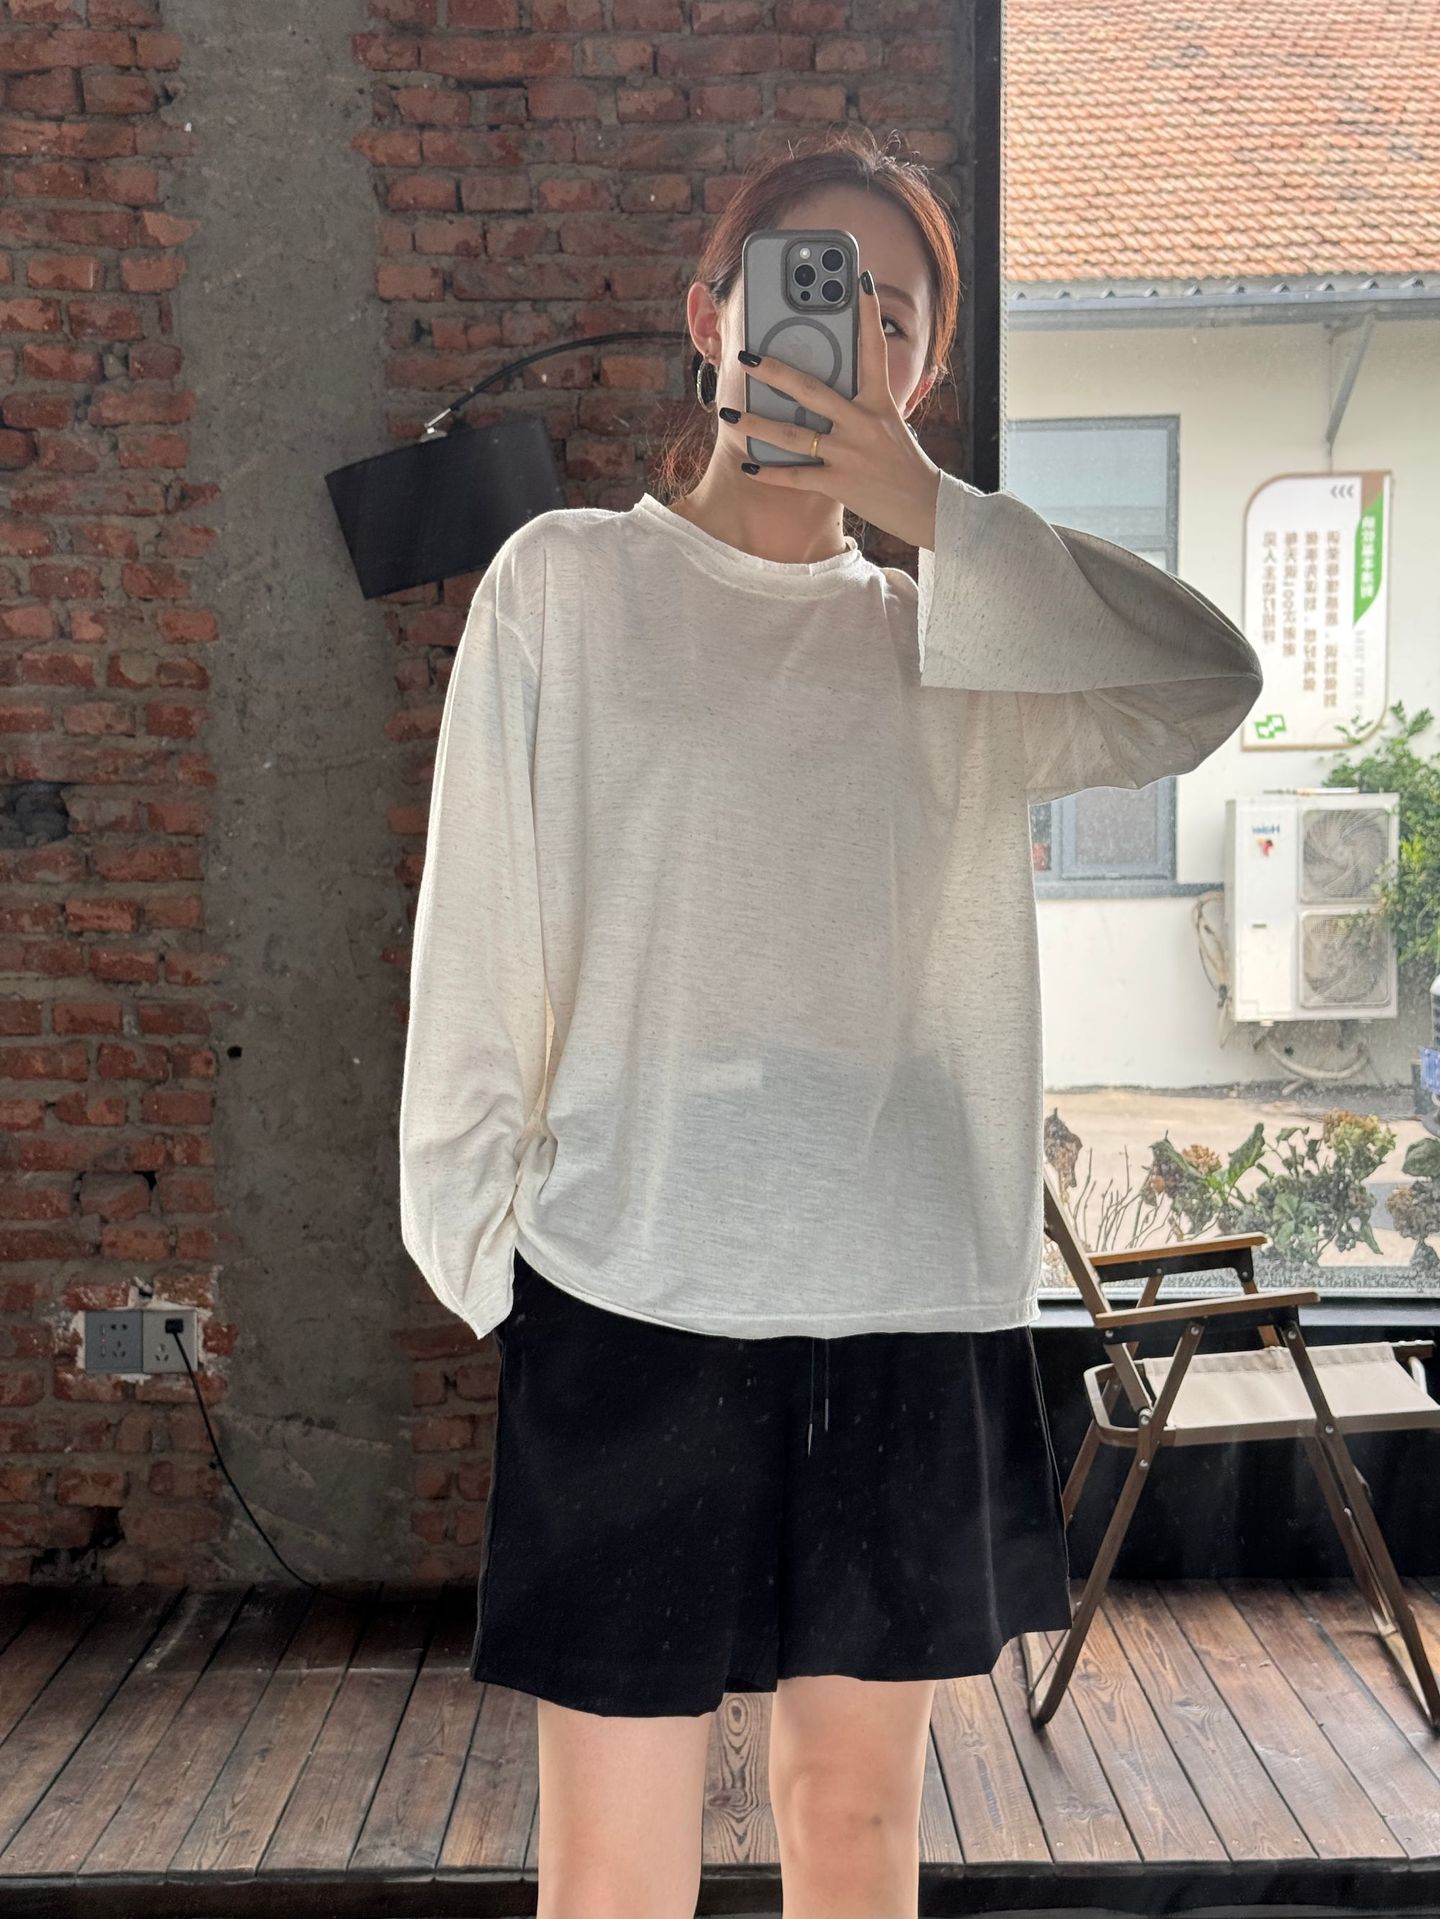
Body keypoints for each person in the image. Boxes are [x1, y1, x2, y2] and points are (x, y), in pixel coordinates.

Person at [398, 128, 1263, 1919]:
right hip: (633, 1285)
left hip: (906, 1298)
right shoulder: (568, 583)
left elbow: (1207, 677)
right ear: (712, 313)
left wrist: (938, 512)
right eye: (813, 283)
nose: (849, 327)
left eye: (893, 313)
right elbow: (480, 943)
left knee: (859, 1826)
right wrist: (496, 1266)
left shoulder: (960, 638)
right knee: (614, 1862)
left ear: (920, 372)